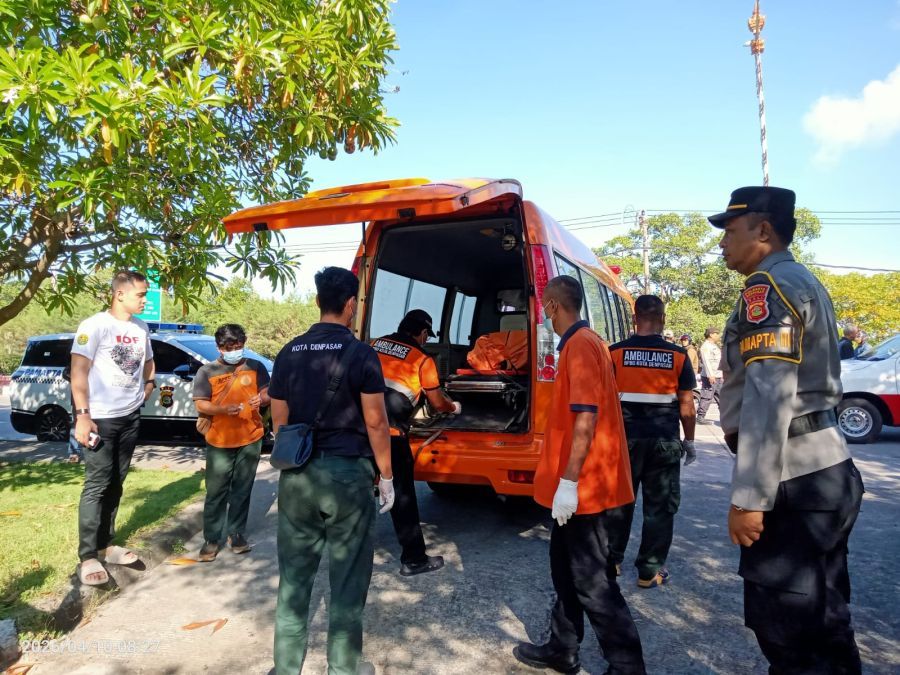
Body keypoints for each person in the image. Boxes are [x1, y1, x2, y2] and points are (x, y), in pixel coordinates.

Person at [711, 186, 864, 673]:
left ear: (763, 230)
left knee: (787, 629)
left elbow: (768, 396)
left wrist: (749, 500)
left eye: (730, 232)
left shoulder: (767, 286)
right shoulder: (801, 280)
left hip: (793, 480)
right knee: (826, 617)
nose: (722, 244)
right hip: (826, 469)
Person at [514, 275, 645, 675]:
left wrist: (569, 483)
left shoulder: (582, 345)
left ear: (553, 306)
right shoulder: (581, 343)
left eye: (543, 305)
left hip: (584, 488)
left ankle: (626, 666)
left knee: (592, 580)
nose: (542, 311)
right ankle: (563, 648)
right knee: (564, 569)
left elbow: (585, 417)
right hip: (575, 487)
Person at [269, 266, 394, 675]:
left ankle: (286, 669)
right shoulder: (361, 354)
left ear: (318, 300)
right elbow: (376, 422)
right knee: (347, 581)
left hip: (298, 477)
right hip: (348, 479)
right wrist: (387, 475)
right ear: (351, 305)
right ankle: (342, 669)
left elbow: (280, 422)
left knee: (294, 580)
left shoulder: (288, 352)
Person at [70, 270, 156, 586]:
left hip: (129, 416)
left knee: (117, 482)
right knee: (97, 483)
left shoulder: (141, 328)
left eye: (146, 294)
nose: (145, 300)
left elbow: (149, 361)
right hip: (99, 418)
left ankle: (106, 545)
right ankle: (88, 556)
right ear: (119, 293)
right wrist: (82, 415)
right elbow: (78, 372)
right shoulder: (94, 326)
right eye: (141, 295)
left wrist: (148, 386)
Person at [607, 295, 697, 588]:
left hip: (624, 441)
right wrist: (690, 441)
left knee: (618, 502)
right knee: (660, 508)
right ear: (663, 320)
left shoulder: (615, 353)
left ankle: (612, 562)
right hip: (664, 441)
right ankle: (649, 573)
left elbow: (604, 400)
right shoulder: (679, 356)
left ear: (635, 319)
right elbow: (687, 406)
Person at [371, 309, 461, 576]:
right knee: (403, 497)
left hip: (358, 428)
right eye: (426, 336)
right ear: (422, 333)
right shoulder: (422, 360)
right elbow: (436, 402)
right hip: (391, 434)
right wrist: (453, 407)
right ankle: (414, 559)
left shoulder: (375, 344)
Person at [192, 324, 270, 562]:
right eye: (229, 347)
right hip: (219, 440)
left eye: (239, 346)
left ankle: (236, 533)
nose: (235, 350)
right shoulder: (207, 371)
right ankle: (211, 539)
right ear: (219, 347)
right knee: (216, 492)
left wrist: (262, 399)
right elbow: (201, 403)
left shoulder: (255, 367)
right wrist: (222, 409)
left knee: (242, 489)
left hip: (251, 437)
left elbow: (268, 392)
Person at [695, 327, 722, 425]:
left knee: (721, 397)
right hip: (710, 376)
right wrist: (711, 375)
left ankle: (724, 417)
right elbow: (706, 362)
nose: (718, 335)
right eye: (716, 333)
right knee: (707, 396)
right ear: (711, 334)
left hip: (718, 375)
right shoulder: (705, 346)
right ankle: (700, 417)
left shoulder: (714, 345)